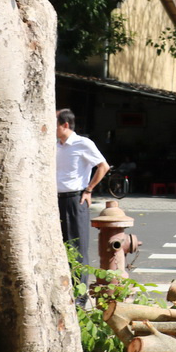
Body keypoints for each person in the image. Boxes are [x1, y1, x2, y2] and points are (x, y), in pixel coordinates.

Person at [56, 109, 109, 271]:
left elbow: (103, 166)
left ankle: (80, 293)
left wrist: (89, 189)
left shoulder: (82, 143)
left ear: (65, 125)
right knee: (60, 244)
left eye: (54, 124)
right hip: (55, 199)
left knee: (77, 245)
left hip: (75, 198)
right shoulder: (54, 145)